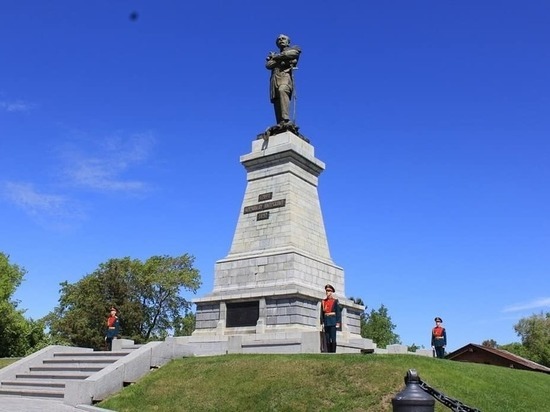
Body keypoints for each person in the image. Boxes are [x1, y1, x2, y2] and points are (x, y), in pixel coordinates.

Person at [265, 34, 301, 126]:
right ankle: (280, 123)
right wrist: (282, 59)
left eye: (283, 38)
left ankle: (286, 119)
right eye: (279, 39)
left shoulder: (294, 48)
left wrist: (276, 57)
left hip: (285, 76)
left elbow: (293, 53)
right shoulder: (276, 55)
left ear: (288, 41)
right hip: (274, 79)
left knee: (282, 90)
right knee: (276, 99)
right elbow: (268, 65)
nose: (281, 40)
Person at [320, 284, 341, 353]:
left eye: (329, 291)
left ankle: (333, 352)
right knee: (327, 338)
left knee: (333, 338)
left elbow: (338, 312)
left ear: (331, 292)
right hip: (326, 322)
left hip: (332, 321)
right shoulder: (323, 302)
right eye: (326, 291)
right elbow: (322, 313)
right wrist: (322, 322)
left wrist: (338, 322)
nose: (327, 292)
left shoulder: (335, 301)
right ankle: (329, 352)